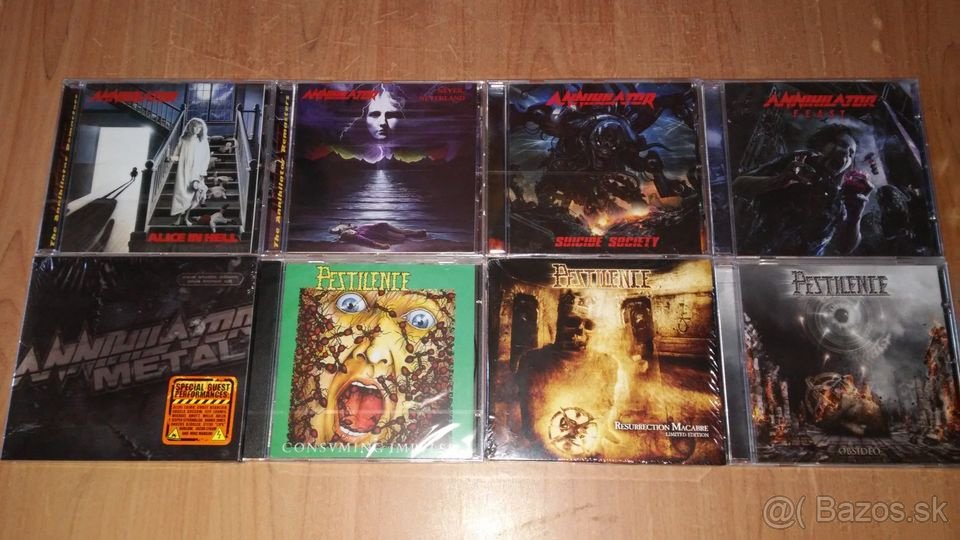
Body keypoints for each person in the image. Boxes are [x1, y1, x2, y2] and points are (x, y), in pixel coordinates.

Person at [732, 124, 871, 255]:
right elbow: (737, 185)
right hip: (756, 256)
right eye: (842, 144)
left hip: (802, 268)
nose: (846, 154)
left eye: (851, 154)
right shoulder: (798, 161)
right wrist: (778, 181)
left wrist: (856, 215)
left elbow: (845, 248)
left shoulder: (841, 194)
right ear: (823, 144)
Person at [169, 118, 211, 226]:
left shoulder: (202, 141)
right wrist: (171, 158)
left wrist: (202, 173)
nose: (196, 130)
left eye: (199, 128)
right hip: (183, 171)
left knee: (193, 195)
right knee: (181, 194)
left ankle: (186, 218)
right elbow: (178, 155)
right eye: (195, 127)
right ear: (190, 127)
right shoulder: (183, 139)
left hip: (196, 172)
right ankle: (178, 218)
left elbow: (206, 158)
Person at [330, 222, 427, 249]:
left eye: (350, 231)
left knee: (401, 235)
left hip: (382, 228)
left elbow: (370, 242)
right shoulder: (358, 234)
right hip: (382, 228)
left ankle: (416, 233)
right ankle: (417, 233)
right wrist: (381, 245)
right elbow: (369, 242)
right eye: (349, 234)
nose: (351, 232)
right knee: (402, 233)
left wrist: (381, 246)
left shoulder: (358, 231)